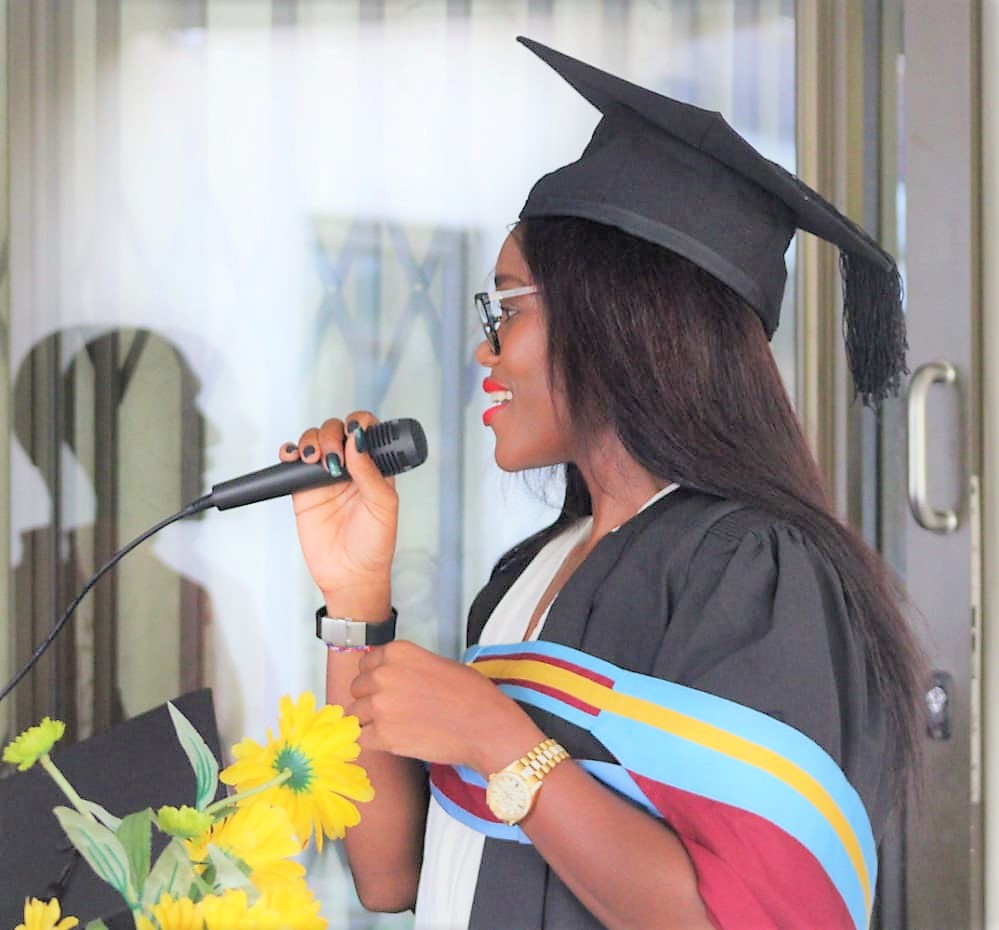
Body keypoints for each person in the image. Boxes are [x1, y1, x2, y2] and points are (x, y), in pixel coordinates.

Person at [280, 38, 925, 930]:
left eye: (507, 307)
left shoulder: (751, 573)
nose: (484, 351)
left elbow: (741, 918)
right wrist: (355, 598)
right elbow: (393, 875)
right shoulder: (531, 572)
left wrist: (496, 737)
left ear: (618, 316)